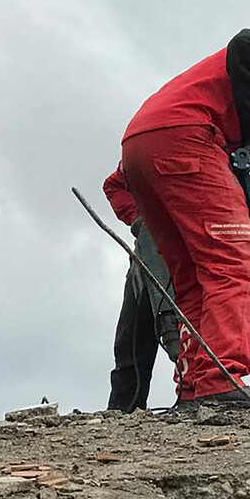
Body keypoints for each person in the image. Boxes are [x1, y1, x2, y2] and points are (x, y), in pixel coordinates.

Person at [119, 27, 250, 405]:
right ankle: (219, 380)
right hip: (188, 137)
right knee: (232, 263)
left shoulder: (223, 92)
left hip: (142, 144)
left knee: (193, 277)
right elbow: (249, 44)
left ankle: (195, 386)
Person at [103, 162, 180, 412]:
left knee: (195, 334)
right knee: (133, 340)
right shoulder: (146, 148)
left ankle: (199, 395)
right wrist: (136, 218)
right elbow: (114, 185)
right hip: (148, 256)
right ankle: (124, 410)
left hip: (194, 250)